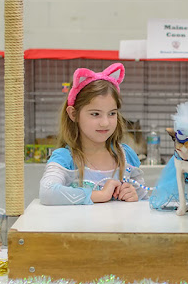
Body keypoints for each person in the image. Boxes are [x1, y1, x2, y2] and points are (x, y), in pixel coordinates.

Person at [40, 63, 149, 205]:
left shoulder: (126, 157)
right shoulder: (66, 159)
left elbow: (144, 202)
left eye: (112, 113)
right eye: (95, 114)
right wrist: (100, 195)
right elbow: (47, 193)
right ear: (73, 114)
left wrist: (134, 196)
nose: (105, 122)